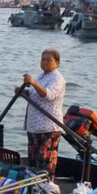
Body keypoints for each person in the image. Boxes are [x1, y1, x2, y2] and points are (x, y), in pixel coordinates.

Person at [19, 49, 66, 177]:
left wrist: (33, 82)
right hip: (34, 126)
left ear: (57, 63)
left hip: (48, 126)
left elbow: (48, 95)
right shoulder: (42, 75)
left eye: (49, 60)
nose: (45, 62)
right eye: (43, 59)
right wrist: (23, 92)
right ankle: (35, 187)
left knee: (46, 160)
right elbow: (36, 95)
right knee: (33, 160)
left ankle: (48, 187)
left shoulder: (57, 79)